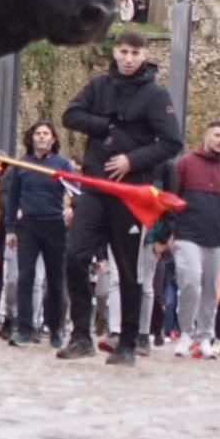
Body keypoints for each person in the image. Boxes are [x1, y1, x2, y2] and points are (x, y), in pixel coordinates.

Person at [59, 30, 183, 365]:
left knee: (128, 271)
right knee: (75, 256)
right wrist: (108, 128)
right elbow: (70, 115)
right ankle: (81, 334)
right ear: (115, 52)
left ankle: (127, 341)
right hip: (95, 189)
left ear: (144, 56)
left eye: (135, 53)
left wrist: (133, 159)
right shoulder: (99, 86)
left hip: (129, 193)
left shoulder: (156, 95)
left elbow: (172, 142)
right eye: (124, 51)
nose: (128, 59)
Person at [169, 120, 220, 359]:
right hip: (187, 235)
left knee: (211, 288)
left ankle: (205, 336)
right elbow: (172, 197)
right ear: (206, 136)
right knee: (190, 280)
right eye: (217, 135)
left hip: (216, 238)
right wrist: (169, 231)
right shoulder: (186, 163)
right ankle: (185, 333)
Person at [3, 121, 72, 347]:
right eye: (38, 133)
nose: (41, 137)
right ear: (31, 137)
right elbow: (12, 198)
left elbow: (76, 191)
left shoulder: (62, 164)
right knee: (25, 276)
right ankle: (24, 328)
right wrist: (10, 228)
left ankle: (55, 329)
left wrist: (73, 208)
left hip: (54, 225)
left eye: (46, 134)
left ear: (53, 138)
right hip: (28, 226)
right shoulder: (21, 164)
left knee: (55, 280)